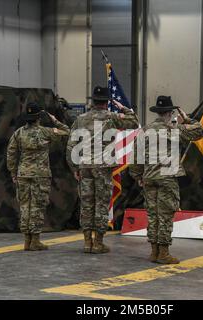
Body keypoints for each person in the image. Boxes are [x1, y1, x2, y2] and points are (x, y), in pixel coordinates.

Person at [130, 96, 203, 264]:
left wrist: (137, 176)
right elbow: (200, 131)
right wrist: (186, 119)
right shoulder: (176, 129)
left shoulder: (145, 131)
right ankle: (163, 253)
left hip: (149, 177)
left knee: (152, 215)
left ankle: (154, 252)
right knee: (165, 215)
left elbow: (135, 157)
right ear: (171, 113)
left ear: (157, 112)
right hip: (167, 178)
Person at [66, 86, 139, 254]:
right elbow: (134, 122)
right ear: (107, 102)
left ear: (93, 101)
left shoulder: (80, 119)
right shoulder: (112, 117)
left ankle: (86, 242)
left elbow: (71, 145)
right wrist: (123, 108)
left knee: (86, 203)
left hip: (84, 166)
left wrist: (74, 167)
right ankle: (98, 243)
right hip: (103, 167)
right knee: (101, 203)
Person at [6, 102, 70, 251]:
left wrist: (13, 172)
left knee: (24, 206)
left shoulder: (19, 133)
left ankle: (26, 240)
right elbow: (66, 131)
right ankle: (35, 240)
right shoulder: (45, 132)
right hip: (41, 175)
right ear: (38, 118)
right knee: (37, 206)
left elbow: (11, 153)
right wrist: (54, 119)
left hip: (23, 174)